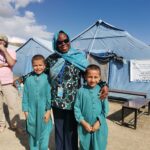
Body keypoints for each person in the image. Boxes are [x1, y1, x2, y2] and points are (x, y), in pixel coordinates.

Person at [45, 30, 109, 150]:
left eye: (66, 40)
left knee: (71, 130)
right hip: (56, 100)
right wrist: (23, 79)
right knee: (59, 128)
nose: (63, 43)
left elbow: (90, 72)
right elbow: (42, 73)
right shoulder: (51, 59)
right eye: (60, 42)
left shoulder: (77, 56)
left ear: (69, 41)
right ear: (55, 43)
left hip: (73, 101)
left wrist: (104, 84)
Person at [74, 64, 109, 150]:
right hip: (85, 127)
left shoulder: (102, 91)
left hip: (100, 127)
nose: (93, 80)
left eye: (95, 77)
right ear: (85, 77)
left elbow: (106, 109)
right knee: (85, 146)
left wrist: (99, 122)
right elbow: (76, 108)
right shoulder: (80, 91)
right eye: (90, 77)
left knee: (99, 146)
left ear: (99, 77)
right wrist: (83, 123)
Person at [22, 54, 53, 149]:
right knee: (32, 131)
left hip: (44, 112)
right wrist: (26, 111)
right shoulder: (28, 79)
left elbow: (49, 96)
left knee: (44, 132)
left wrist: (48, 111)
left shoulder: (47, 78)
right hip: (31, 112)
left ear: (44, 66)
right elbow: (25, 96)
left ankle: (43, 147)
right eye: (35, 65)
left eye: (40, 65)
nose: (38, 67)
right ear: (32, 66)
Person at [0, 34, 21, 132]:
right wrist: (6, 65)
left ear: (5, 42)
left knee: (12, 105)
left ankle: (15, 124)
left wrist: (4, 51)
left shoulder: (11, 51)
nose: (0, 42)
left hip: (7, 83)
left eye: (1, 40)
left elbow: (12, 63)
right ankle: (2, 124)